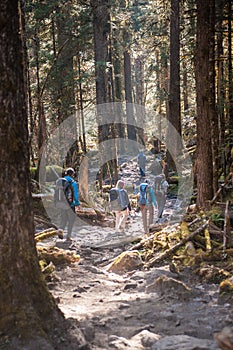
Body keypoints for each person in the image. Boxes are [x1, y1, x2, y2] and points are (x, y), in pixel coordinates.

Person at [60, 167, 80, 241]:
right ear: (72, 174)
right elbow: (75, 194)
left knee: (63, 219)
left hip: (61, 203)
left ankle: (60, 231)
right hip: (70, 204)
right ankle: (68, 236)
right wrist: (77, 203)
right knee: (71, 220)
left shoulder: (60, 181)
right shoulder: (72, 182)